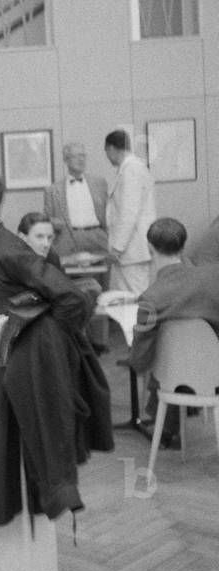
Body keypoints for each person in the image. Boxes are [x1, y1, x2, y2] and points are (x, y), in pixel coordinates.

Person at [0, 165, 112, 571]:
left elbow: (71, 299)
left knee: (17, 484)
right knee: (3, 483)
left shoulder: (7, 252)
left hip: (11, 399)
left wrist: (36, 353)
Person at [129, 217, 219, 448]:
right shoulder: (213, 281)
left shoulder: (150, 299)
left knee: (164, 352)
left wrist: (135, 361)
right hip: (214, 369)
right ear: (184, 245)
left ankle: (165, 428)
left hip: (174, 375)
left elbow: (140, 357)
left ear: (150, 248)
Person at [104, 129, 156, 294]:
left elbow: (128, 213)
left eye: (107, 152)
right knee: (125, 297)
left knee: (133, 297)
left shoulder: (131, 170)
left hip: (131, 250)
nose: (108, 157)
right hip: (130, 250)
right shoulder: (131, 168)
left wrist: (117, 248)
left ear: (111, 148)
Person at [43, 142, 109, 261]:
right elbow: (46, 220)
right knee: (67, 272)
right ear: (66, 160)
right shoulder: (53, 190)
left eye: (83, 156)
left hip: (97, 238)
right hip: (67, 239)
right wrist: (56, 223)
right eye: (76, 156)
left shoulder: (100, 183)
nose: (81, 159)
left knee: (103, 271)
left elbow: (108, 213)